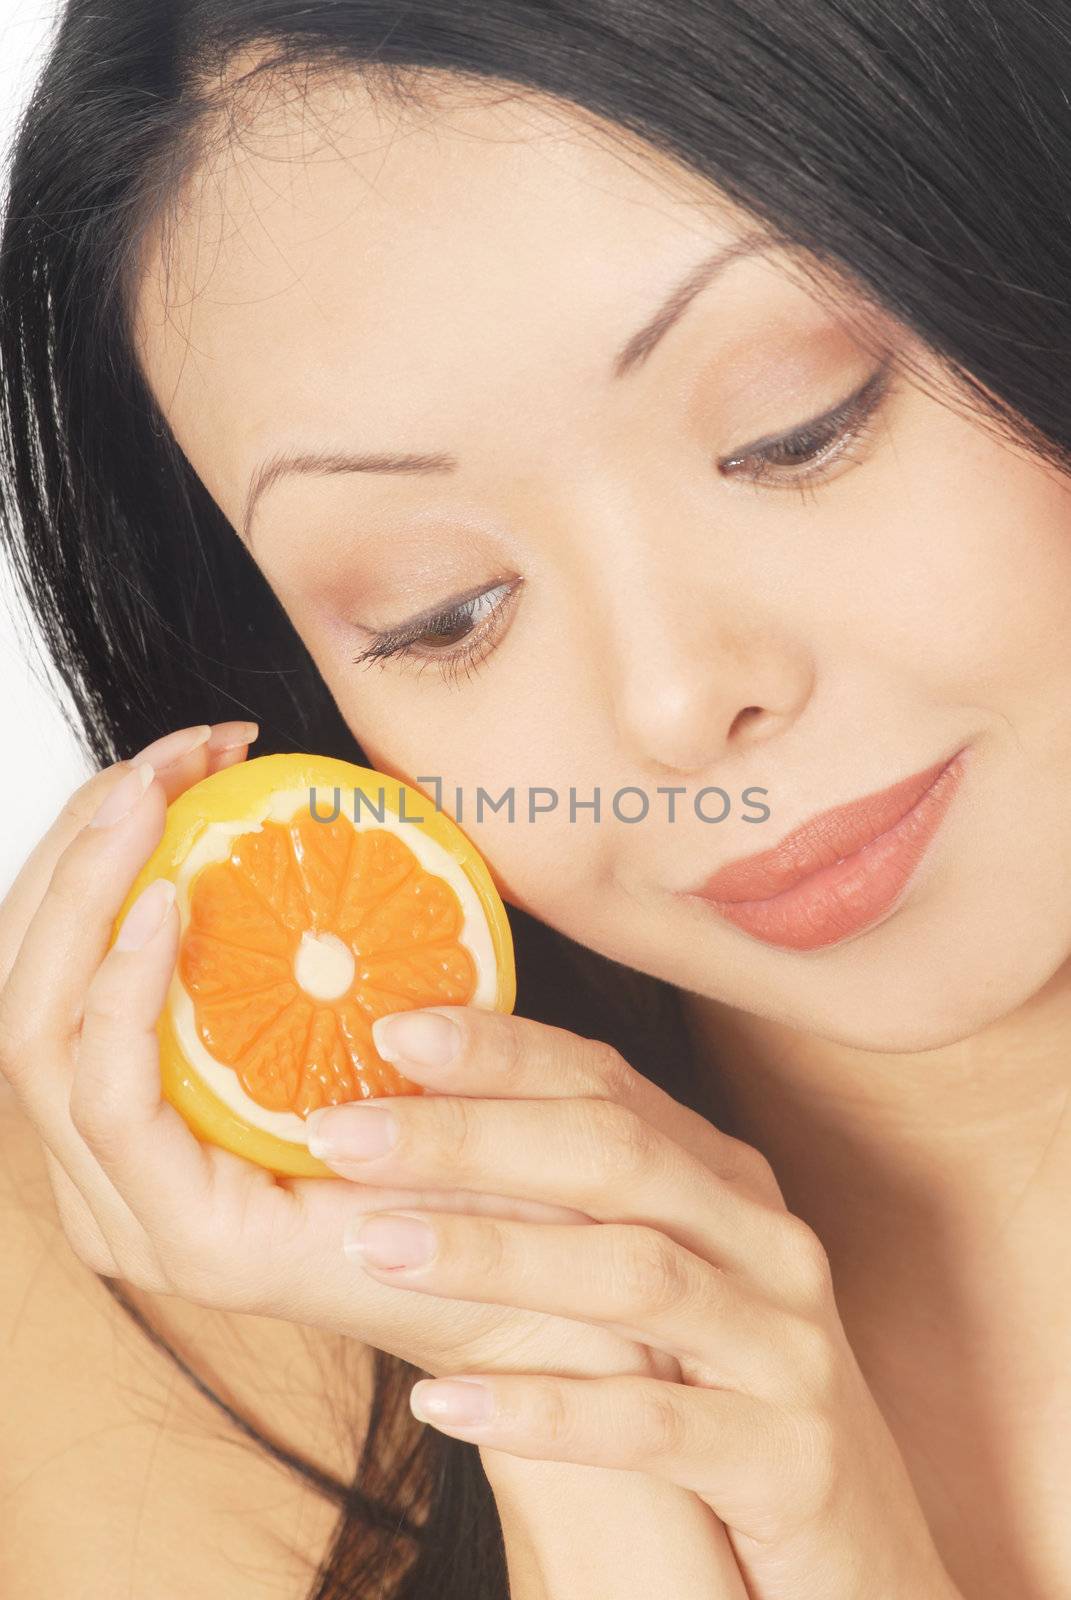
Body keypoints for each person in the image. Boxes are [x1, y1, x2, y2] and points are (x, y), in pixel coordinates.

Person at [0, 2, 1068, 1596]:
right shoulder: (199, 1297)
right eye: (443, 613)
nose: (673, 704)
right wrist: (578, 1415)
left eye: (799, 429)